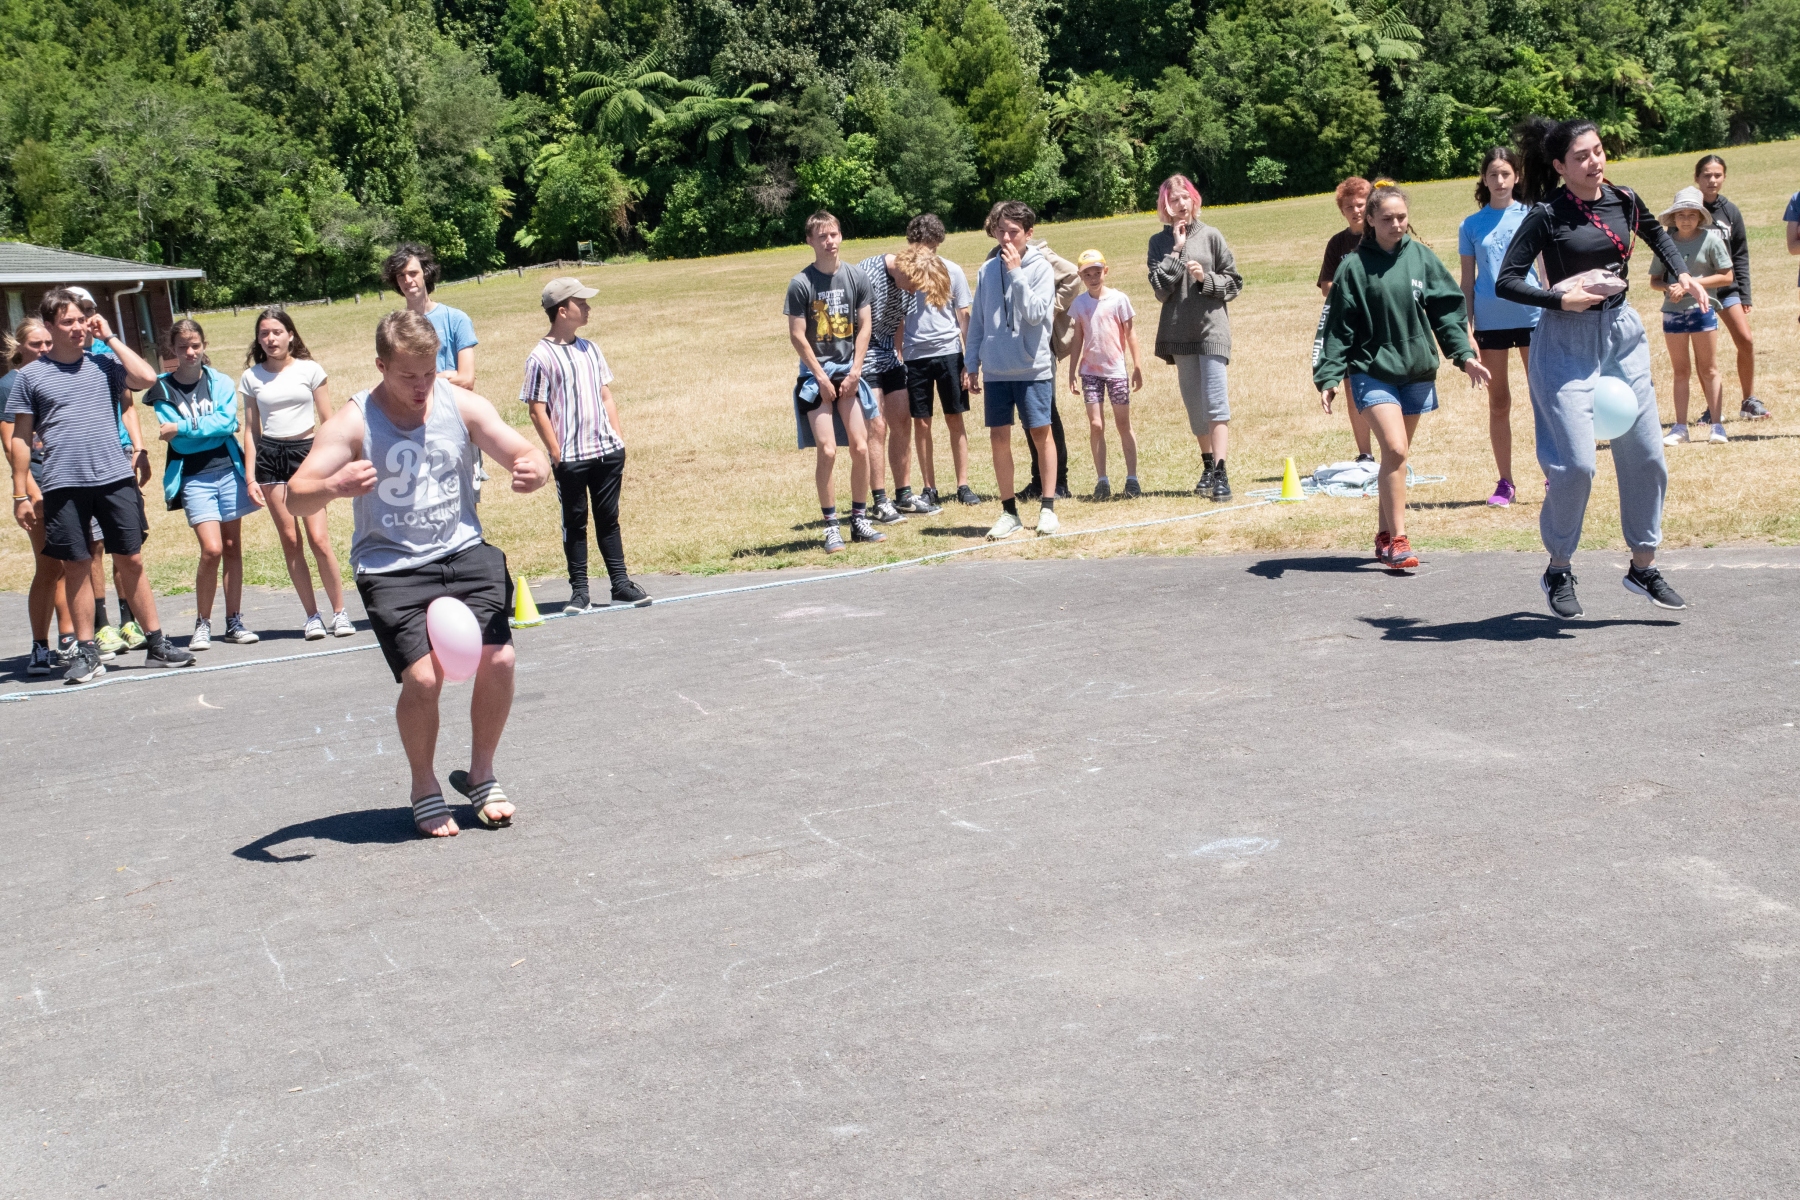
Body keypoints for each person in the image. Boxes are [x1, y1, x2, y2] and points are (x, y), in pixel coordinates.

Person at [286, 310, 550, 837]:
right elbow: (296, 496)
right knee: (425, 678)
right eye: (408, 375)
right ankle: (424, 785)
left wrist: (535, 467)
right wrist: (334, 487)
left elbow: (522, 449)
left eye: (429, 372)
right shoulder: (353, 422)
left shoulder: (461, 405)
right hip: (391, 565)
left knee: (499, 659)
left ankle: (481, 774)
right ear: (381, 366)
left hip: (464, 550)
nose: (421, 386)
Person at [1497, 116, 1710, 619]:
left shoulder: (1625, 199)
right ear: (1559, 166)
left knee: (1647, 456)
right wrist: (1559, 298)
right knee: (1576, 465)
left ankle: (1643, 566)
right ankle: (1558, 568)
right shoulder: (1546, 214)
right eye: (1581, 157)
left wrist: (1684, 274)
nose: (1594, 162)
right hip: (1564, 340)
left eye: (1597, 151)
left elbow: (1657, 235)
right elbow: (1506, 280)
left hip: (1622, 335)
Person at [4, 289, 195, 681]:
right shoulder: (30, 377)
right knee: (76, 566)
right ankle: (87, 651)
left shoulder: (104, 363)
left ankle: (156, 643)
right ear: (50, 326)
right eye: (67, 322)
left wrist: (108, 335)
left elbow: (146, 378)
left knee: (131, 559)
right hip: (62, 485)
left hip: (114, 478)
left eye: (81, 319)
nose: (77, 327)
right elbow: (20, 439)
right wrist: (20, 492)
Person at [1315, 186, 1491, 570]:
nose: (1396, 224)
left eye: (1401, 217)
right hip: (1370, 369)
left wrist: (1464, 356)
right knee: (1395, 450)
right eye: (1387, 219)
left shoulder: (1421, 257)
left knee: (1394, 458)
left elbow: (1447, 312)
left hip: (1415, 370)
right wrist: (1328, 376)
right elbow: (1338, 327)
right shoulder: (1353, 267)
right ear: (1370, 220)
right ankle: (1398, 540)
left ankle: (1383, 536)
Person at [521, 276, 652, 611]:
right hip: (571, 456)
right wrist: (556, 452)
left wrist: (617, 438)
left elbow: (605, 395)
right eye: (581, 303)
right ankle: (580, 591)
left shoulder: (591, 349)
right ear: (562, 311)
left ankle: (620, 584)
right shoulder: (540, 357)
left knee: (609, 518)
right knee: (575, 522)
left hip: (605, 451)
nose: (588, 307)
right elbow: (536, 409)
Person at [239, 308, 353, 639]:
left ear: (290, 335)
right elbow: (251, 430)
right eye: (264, 333)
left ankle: (340, 613)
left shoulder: (310, 370)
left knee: (319, 538)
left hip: (307, 455)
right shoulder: (251, 378)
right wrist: (250, 476)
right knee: (290, 540)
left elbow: (328, 420)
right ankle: (312, 616)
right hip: (271, 459)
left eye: (277, 332)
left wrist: (335, 461)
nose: (270, 338)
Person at [147, 319, 260, 649]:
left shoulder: (220, 381)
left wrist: (184, 426)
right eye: (183, 346)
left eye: (195, 345)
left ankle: (234, 621)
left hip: (228, 470)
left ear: (204, 345)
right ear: (173, 349)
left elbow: (227, 422)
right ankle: (203, 622)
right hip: (194, 476)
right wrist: (204, 430)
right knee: (211, 549)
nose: (190, 352)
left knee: (232, 546)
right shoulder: (161, 388)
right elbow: (180, 444)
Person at [785, 210, 885, 554]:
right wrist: (820, 377)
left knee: (861, 447)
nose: (830, 241)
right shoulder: (801, 283)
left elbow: (865, 326)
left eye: (834, 234)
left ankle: (859, 520)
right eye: (822, 236)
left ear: (841, 236)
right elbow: (797, 335)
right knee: (827, 450)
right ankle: (831, 527)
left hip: (849, 373)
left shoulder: (856, 277)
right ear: (810, 241)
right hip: (815, 377)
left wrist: (856, 371)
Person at [1147, 174, 1244, 500]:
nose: (1180, 204)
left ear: (1194, 199)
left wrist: (1207, 279)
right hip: (1179, 332)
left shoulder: (1212, 236)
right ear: (1165, 206)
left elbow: (1234, 282)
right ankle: (1207, 465)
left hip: (1211, 329)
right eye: (1173, 200)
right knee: (1195, 406)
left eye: (1185, 197)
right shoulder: (1158, 243)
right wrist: (1175, 251)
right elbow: (1160, 290)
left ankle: (1221, 472)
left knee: (1215, 402)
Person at [967, 199, 1059, 540]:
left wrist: (1017, 272)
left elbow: (1035, 314)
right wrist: (971, 363)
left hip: (1032, 367)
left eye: (1014, 232)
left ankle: (1047, 508)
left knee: (1040, 433)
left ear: (1029, 234)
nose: (1006, 238)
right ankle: (1009, 512)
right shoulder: (986, 271)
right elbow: (978, 320)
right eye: (1001, 231)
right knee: (998, 437)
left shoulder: (1041, 268)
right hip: (996, 369)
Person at [67, 286, 151, 656]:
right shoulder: (60, 359)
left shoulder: (107, 354)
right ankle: (101, 624)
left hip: (120, 454)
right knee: (94, 544)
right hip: (83, 461)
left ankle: (128, 618)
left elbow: (129, 403)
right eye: (76, 312)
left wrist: (140, 448)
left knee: (126, 543)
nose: (84, 319)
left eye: (88, 310)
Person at [1458, 146, 1543, 507]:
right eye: (1493, 174)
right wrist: (1466, 329)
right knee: (1499, 402)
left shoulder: (1533, 215)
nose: (1499, 180)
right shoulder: (1470, 225)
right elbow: (1467, 282)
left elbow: (1546, 271)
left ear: (1517, 177)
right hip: (1490, 324)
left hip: (1533, 318)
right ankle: (1505, 482)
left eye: (1506, 173)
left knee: (1543, 400)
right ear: (1484, 178)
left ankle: (1554, 475)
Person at [1, 319, 76, 674]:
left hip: (69, 481)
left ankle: (69, 638)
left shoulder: (56, 375)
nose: (44, 349)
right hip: (39, 484)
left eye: (48, 342)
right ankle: (39, 646)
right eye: (35, 344)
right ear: (19, 347)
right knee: (48, 565)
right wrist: (29, 493)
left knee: (70, 563)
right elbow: (12, 446)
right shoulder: (9, 385)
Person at [385, 242, 486, 496]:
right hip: (411, 425)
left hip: (455, 418)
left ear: (426, 274)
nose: (407, 280)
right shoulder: (395, 328)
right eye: (401, 275)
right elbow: (392, 382)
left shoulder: (456, 319)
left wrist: (415, 382)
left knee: (463, 497)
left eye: (413, 273)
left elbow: (466, 379)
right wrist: (446, 376)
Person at [894, 217, 977, 507]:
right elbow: (899, 319)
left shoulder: (952, 270)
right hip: (914, 357)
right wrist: (899, 355)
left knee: (955, 417)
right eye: (921, 246)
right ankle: (929, 487)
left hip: (949, 353)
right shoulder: (902, 275)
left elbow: (964, 316)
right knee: (922, 423)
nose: (926, 252)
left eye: (932, 246)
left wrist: (969, 361)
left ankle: (963, 484)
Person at [857, 240, 937, 519]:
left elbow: (899, 321)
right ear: (903, 269)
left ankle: (903, 495)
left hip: (888, 353)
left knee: (902, 419)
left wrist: (898, 355)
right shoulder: (866, 274)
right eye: (913, 284)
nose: (914, 290)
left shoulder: (909, 282)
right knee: (876, 426)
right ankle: (879, 501)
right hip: (862, 355)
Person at [1650, 187, 1734, 446]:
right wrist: (1669, 288)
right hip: (1672, 312)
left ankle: (1717, 426)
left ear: (1700, 216)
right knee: (1680, 371)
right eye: (1680, 214)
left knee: (1708, 368)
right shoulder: (1666, 243)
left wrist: (1689, 285)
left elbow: (1727, 275)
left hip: (1703, 309)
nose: (1686, 219)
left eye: (1691, 214)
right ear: (1673, 217)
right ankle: (1680, 427)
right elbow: (1654, 280)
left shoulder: (1711, 240)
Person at [1066, 249, 1144, 498]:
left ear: (1105, 272)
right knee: (1096, 424)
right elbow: (1077, 339)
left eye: (1097, 272)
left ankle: (1132, 478)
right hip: (1090, 373)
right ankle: (1102, 480)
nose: (1093, 278)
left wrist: (1137, 366)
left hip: (1116, 372)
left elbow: (1130, 334)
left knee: (1123, 424)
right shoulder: (1079, 304)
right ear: (1080, 276)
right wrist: (1072, 371)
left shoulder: (1119, 300)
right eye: (1087, 274)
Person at [1693, 155, 1766, 420]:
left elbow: (1740, 254)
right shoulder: (1688, 209)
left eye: (1718, 175)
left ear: (1724, 177)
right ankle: (1712, 410)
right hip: (1698, 291)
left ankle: (1749, 401)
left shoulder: (1730, 211)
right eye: (1707, 175)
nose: (1712, 180)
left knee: (1746, 340)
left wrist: (1745, 293)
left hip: (1727, 289)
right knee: (1705, 354)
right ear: (1697, 178)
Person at [1317, 177, 1376, 462]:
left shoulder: (1381, 236)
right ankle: (1365, 453)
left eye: (1361, 204)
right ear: (1342, 211)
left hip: (1380, 322)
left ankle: (1394, 450)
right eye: (1349, 206)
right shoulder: (1337, 243)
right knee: (1353, 389)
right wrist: (1350, 294)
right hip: (1350, 326)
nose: (1356, 211)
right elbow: (1326, 285)